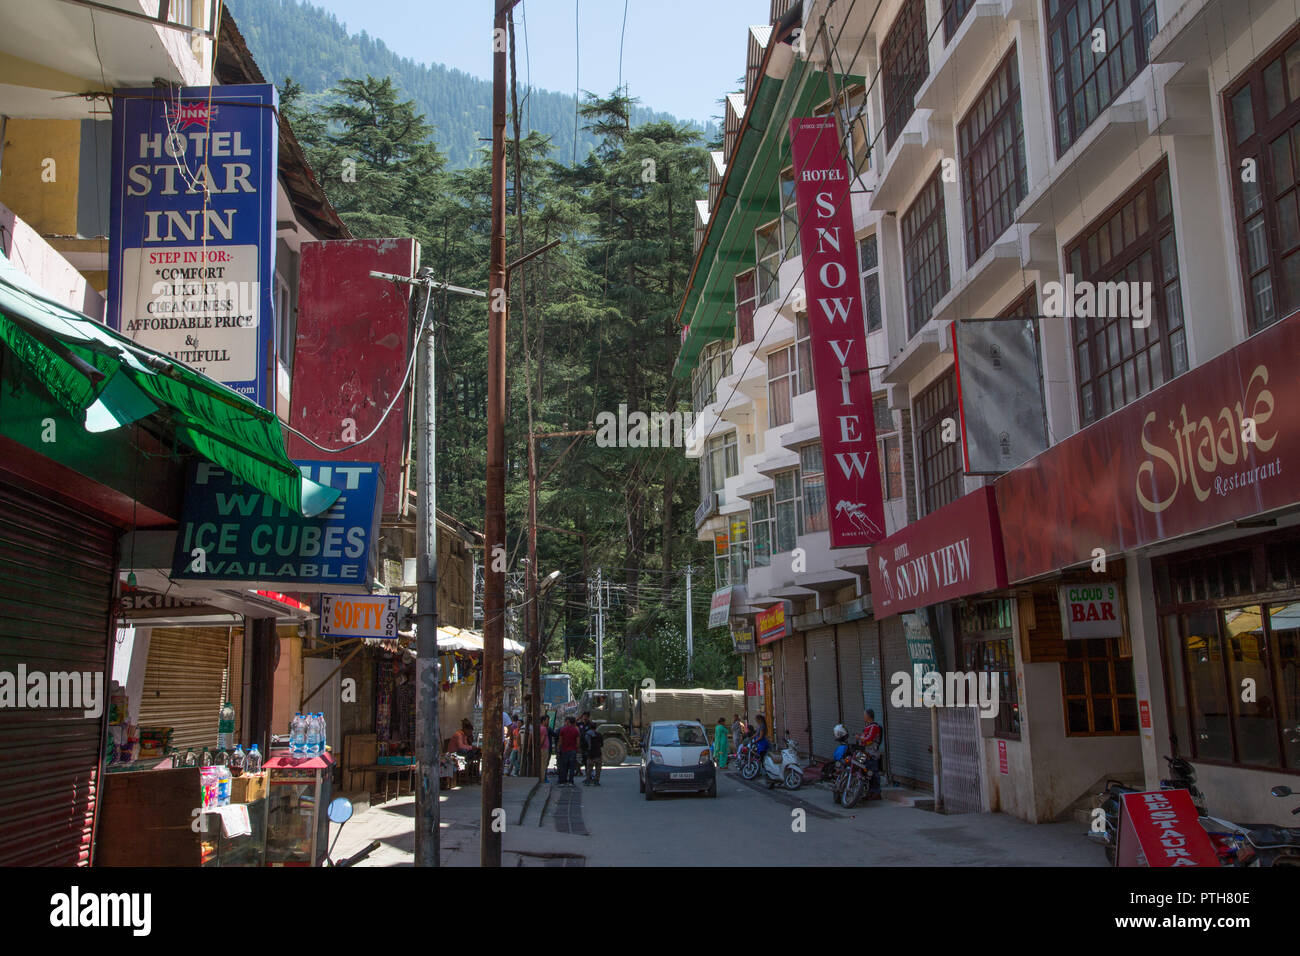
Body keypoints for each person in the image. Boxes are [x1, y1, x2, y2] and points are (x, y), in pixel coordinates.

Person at [859, 710, 884, 797]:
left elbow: (868, 738)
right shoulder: (867, 726)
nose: (864, 717)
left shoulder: (874, 726)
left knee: (872, 772)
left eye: (864, 715)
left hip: (871, 754)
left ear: (868, 716)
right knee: (860, 767)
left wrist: (860, 738)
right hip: (863, 753)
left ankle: (876, 792)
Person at [557, 716, 581, 785]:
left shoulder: (563, 730)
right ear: (574, 723)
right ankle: (571, 781)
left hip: (564, 750)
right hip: (573, 751)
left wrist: (559, 749)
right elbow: (578, 743)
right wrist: (577, 749)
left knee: (564, 766)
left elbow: (560, 741)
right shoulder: (576, 731)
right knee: (572, 767)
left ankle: (564, 780)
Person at [583, 720, 604, 786]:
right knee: (598, 769)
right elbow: (602, 744)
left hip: (590, 754)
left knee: (589, 769)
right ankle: (596, 781)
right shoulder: (599, 734)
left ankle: (588, 780)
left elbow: (585, 744)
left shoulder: (587, 734)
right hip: (598, 754)